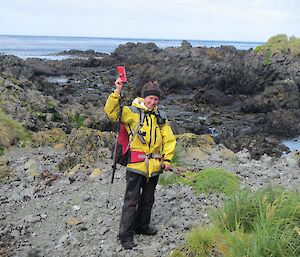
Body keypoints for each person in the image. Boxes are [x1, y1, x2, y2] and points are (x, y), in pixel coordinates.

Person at [104, 77, 176, 249]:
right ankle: (125, 235)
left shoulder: (161, 118)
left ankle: (142, 226)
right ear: (144, 97)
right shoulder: (132, 112)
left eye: (156, 99)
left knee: (148, 199)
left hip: (155, 166)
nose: (153, 102)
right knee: (131, 200)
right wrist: (117, 92)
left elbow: (169, 139)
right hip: (136, 165)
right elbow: (112, 113)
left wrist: (167, 159)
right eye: (150, 98)